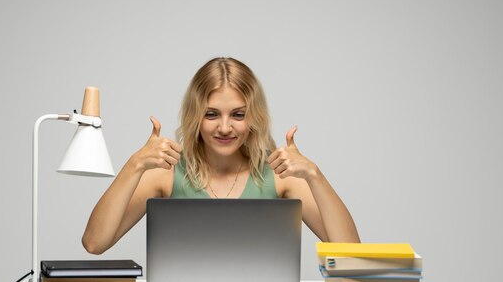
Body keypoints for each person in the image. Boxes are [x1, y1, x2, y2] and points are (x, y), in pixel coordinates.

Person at [82, 57, 360, 255]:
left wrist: (314, 174)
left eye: (238, 115)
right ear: (195, 116)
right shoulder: (166, 171)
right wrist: (135, 165)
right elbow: (95, 243)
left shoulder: (278, 173)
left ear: (254, 118)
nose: (225, 127)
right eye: (211, 114)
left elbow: (352, 253)